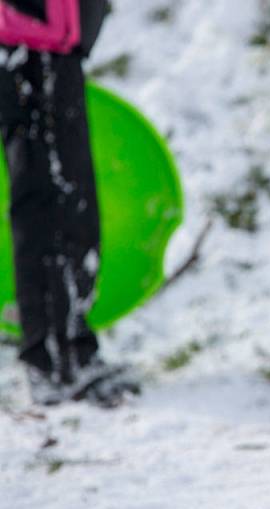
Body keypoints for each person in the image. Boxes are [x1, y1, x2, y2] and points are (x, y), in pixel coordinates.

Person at [0, 0, 136, 407]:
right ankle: (52, 362)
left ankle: (69, 347)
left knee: (71, 205)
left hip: (51, 47)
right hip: (26, 46)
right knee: (49, 206)